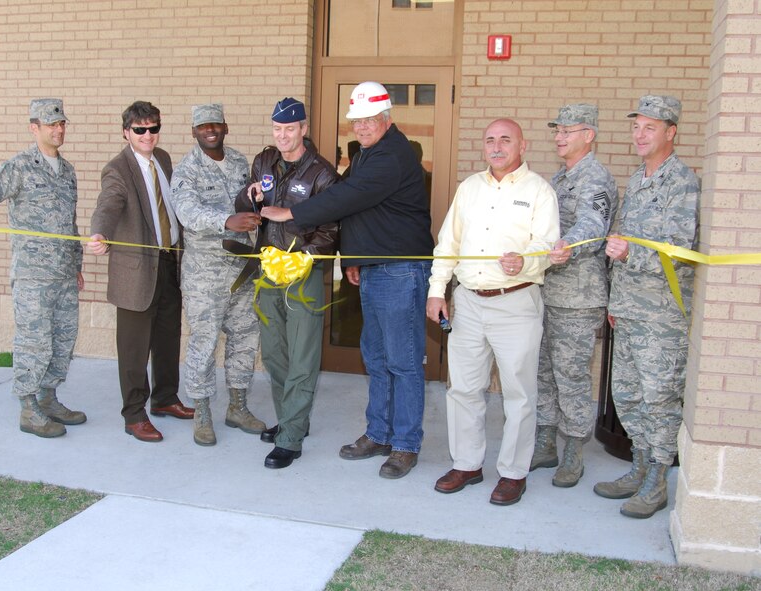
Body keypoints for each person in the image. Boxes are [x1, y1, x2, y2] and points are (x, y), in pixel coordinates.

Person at [261, 81, 436, 480]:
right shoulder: (369, 154)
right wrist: (355, 259)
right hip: (376, 270)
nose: (362, 126)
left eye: (370, 119)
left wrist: (291, 214)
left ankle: (405, 444)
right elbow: (362, 214)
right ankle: (379, 433)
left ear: (387, 118)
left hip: (400, 271)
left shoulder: (392, 155)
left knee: (403, 362)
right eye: (357, 120)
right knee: (376, 358)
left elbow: (349, 198)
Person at [426, 118, 559, 505]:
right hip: (467, 301)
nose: (497, 147)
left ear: (523, 144)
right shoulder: (469, 188)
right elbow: (447, 244)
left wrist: (528, 263)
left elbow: (547, 244)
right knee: (464, 388)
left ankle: (514, 473)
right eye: (490, 140)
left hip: (516, 303)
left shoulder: (539, 191)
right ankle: (467, 464)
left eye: (505, 140)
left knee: (519, 393)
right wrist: (437, 292)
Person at [595, 95, 699, 519]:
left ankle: (657, 481)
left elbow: (679, 250)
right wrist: (615, 300)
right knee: (629, 395)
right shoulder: (636, 180)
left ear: (670, 132)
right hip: (630, 311)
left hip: (662, 316)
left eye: (649, 127)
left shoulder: (682, 182)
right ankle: (638, 469)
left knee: (660, 399)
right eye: (636, 126)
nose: (639, 134)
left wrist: (627, 256)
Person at [0, 98, 85, 438]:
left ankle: (48, 398)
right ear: (35, 128)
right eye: (50, 125)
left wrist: (76, 264)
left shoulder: (68, 171)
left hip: (63, 274)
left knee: (63, 340)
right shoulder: (20, 166)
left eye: (61, 124)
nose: (58, 129)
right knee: (34, 343)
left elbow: (69, 224)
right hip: (33, 276)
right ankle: (29, 409)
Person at [234, 97, 338, 469]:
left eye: (289, 129)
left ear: (304, 130)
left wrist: (302, 257)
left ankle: (291, 437)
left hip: (302, 275)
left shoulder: (322, 173)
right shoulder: (264, 161)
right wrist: (249, 197)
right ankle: (292, 418)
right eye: (277, 129)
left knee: (303, 357)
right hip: (267, 269)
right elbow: (246, 206)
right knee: (275, 352)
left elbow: (330, 228)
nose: (282, 136)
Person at [88, 101, 194, 443]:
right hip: (136, 270)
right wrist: (99, 233)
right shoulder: (117, 169)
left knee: (168, 338)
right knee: (134, 349)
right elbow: (109, 203)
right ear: (126, 132)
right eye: (140, 130)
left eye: (153, 128)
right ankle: (134, 415)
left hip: (168, 263)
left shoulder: (162, 159)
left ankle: (165, 399)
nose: (148, 135)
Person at [532, 104, 619, 487]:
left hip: (578, 297)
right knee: (544, 371)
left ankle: (573, 451)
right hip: (548, 290)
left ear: (590, 135)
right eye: (557, 129)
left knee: (571, 375)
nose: (559, 136)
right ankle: (546, 440)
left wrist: (568, 243)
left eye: (569, 130)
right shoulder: (559, 177)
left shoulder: (595, 177)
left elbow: (593, 224)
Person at [170, 103, 265, 447]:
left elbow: (254, 200)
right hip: (204, 276)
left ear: (225, 126)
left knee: (245, 338)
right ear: (194, 132)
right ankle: (202, 411)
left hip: (243, 272)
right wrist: (227, 221)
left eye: (215, 124)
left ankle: (237, 407)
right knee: (203, 344)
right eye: (202, 126)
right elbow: (187, 212)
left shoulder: (241, 163)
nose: (210, 130)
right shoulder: (187, 169)